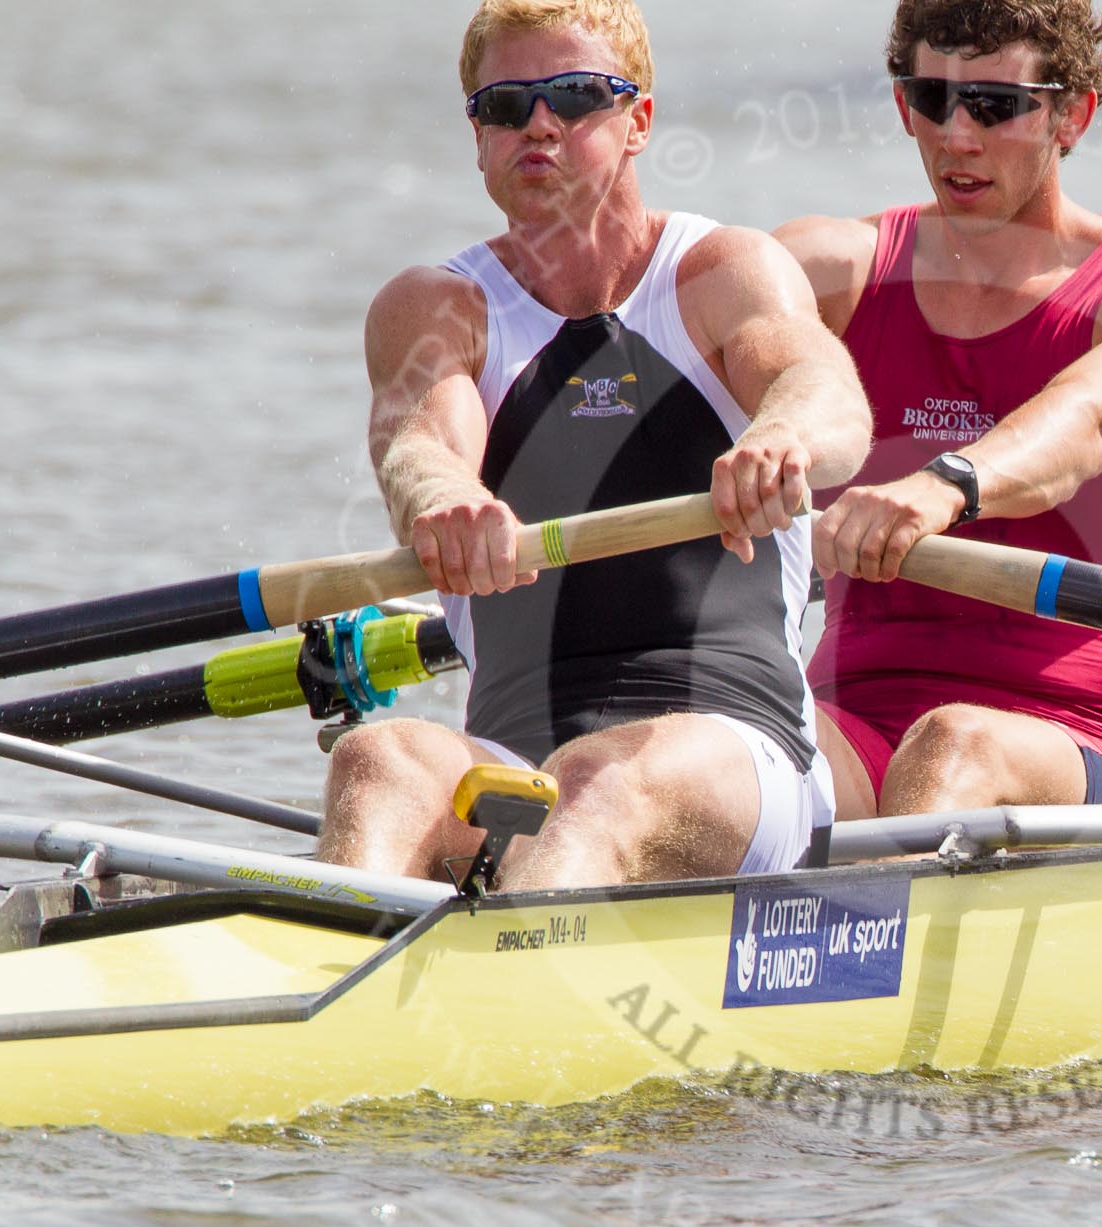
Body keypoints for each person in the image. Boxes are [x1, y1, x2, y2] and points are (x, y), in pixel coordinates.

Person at [316, 0, 872, 888]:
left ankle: (507, 994)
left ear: (638, 120)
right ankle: (324, 985)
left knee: (599, 784)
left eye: (575, 96)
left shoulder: (719, 273)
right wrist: (441, 499)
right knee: (378, 759)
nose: (539, 124)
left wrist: (780, 440)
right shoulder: (434, 307)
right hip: (514, 754)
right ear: (478, 135)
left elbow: (827, 396)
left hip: (735, 752)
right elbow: (417, 446)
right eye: (506, 105)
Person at [775, 0, 1102, 820]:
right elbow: (664, 348)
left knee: (954, 747)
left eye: (995, 107)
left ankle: (867, 935)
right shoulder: (829, 268)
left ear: (1073, 115)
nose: (958, 136)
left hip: (1070, 736)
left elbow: (1091, 417)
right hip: (851, 723)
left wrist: (946, 483)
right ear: (902, 105)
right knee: (708, 749)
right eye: (932, 100)